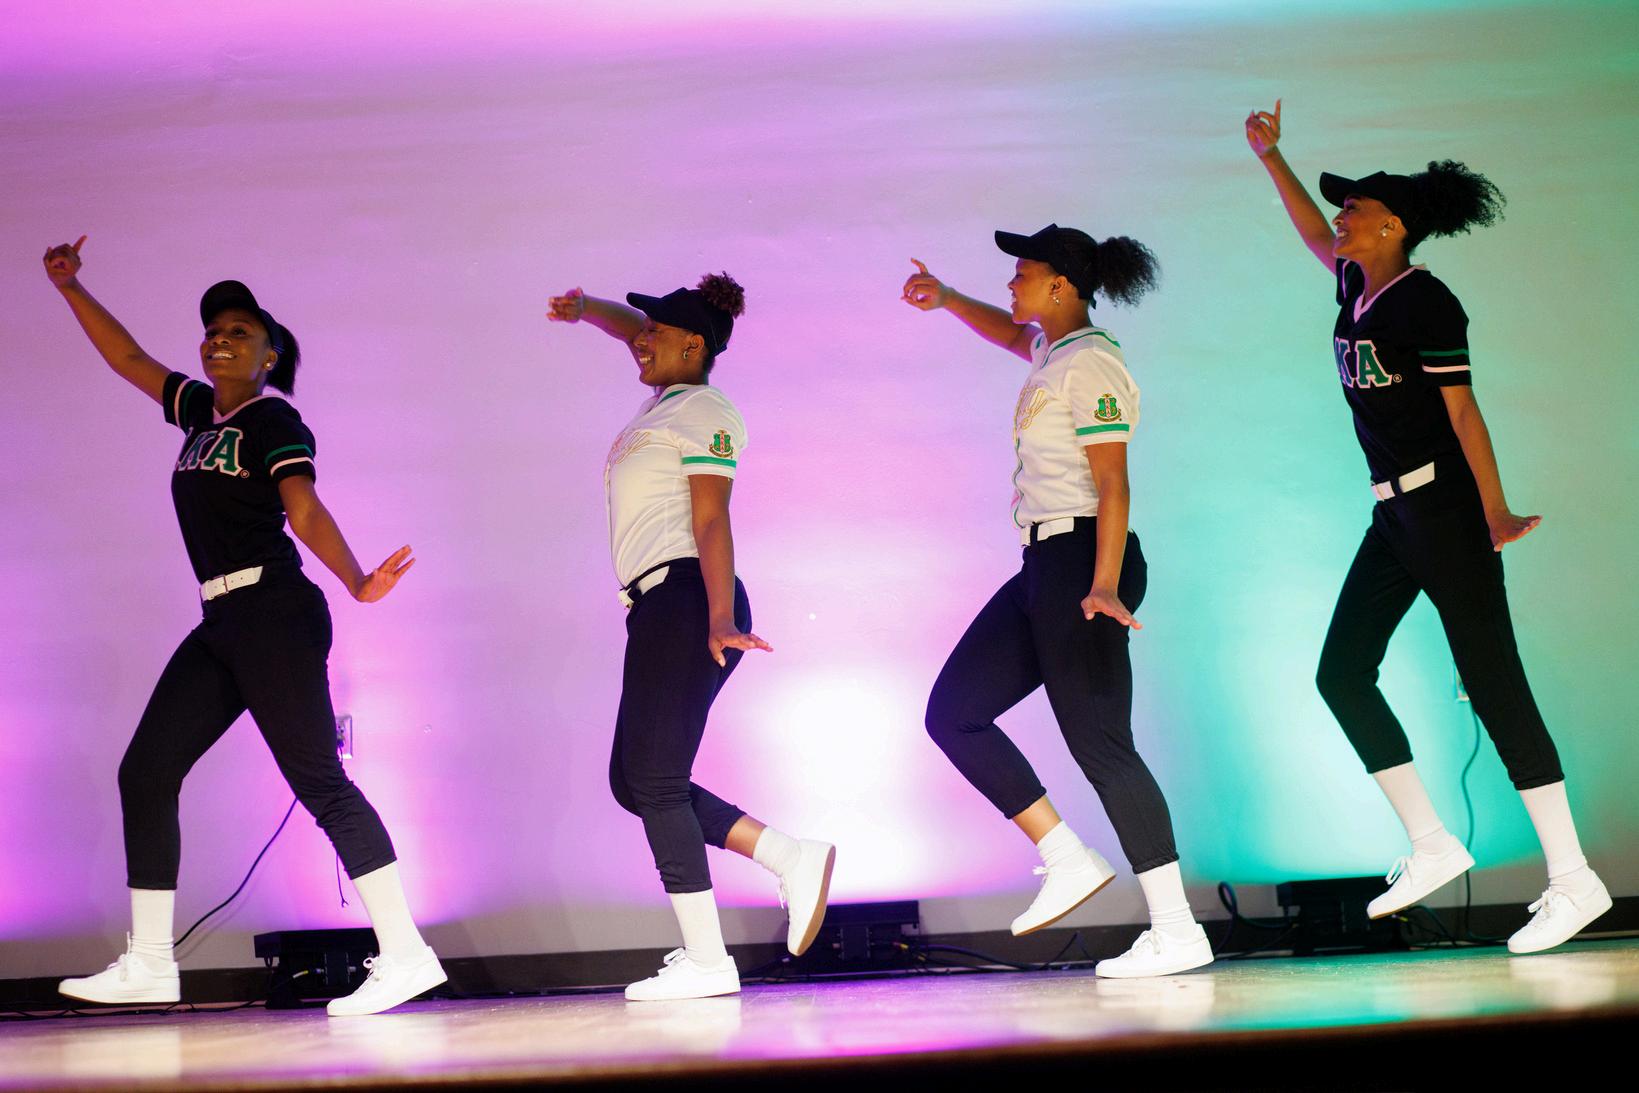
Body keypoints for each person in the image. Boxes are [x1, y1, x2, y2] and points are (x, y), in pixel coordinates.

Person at [44, 237, 445, 1015]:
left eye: (239, 332)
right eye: (212, 331)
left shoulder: (272, 418)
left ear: (269, 355)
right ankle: (150, 962)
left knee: (319, 781)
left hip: (274, 611)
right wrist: (71, 288)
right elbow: (127, 358)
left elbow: (304, 509)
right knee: (145, 771)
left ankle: (406, 954)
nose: (219, 340)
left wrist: (357, 579)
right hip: (222, 617)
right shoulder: (200, 411)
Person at [1245, 100, 1610, 952]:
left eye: (1354, 208)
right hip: (1393, 513)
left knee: (1493, 683)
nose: (1340, 217)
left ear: (1393, 226)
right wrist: (1271, 159)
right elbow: (1310, 234)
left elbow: (1464, 412)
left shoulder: (1428, 302)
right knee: (1341, 674)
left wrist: (1493, 508)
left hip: (1444, 508)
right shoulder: (1354, 284)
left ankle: (1573, 878)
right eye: (1341, 208)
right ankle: (1432, 842)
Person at [902, 226, 1214, 978]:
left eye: (1022, 273)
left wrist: (1103, 583)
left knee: (1101, 743)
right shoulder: (1053, 350)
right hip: (1044, 563)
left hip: (1084, 561)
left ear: (1060, 285)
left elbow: (1113, 481)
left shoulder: (1092, 361)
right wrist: (947, 299)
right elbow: (1012, 335)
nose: (1011, 285)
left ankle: (1178, 930)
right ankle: (1065, 853)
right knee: (954, 712)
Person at [547, 273, 835, 1000]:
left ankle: (708, 958)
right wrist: (586, 312)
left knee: (654, 780)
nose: (640, 341)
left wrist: (719, 616)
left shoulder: (705, 409)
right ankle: (788, 855)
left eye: (656, 333)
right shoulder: (667, 402)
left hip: (688, 597)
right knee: (634, 782)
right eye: (640, 332)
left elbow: (711, 518)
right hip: (655, 605)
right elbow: (634, 330)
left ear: (694, 345)